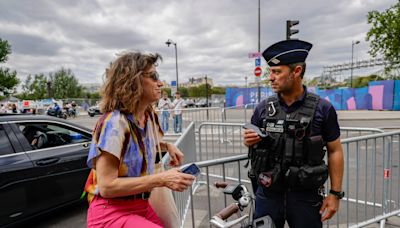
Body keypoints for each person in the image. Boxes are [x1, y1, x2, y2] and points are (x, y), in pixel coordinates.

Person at [84, 51, 195, 228]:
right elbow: (107, 186)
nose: (160, 83)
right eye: (153, 76)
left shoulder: (149, 116)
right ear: (131, 80)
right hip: (111, 211)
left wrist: (167, 146)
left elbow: (135, 147)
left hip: (141, 204)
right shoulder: (114, 123)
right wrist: (162, 179)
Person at [243, 40, 344, 228]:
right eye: (270, 72)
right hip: (268, 195)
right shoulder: (263, 108)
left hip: (305, 197)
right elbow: (251, 143)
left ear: (296, 71)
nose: (271, 78)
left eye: (277, 72)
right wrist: (249, 141)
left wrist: (335, 194)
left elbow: (335, 150)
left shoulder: (323, 109)